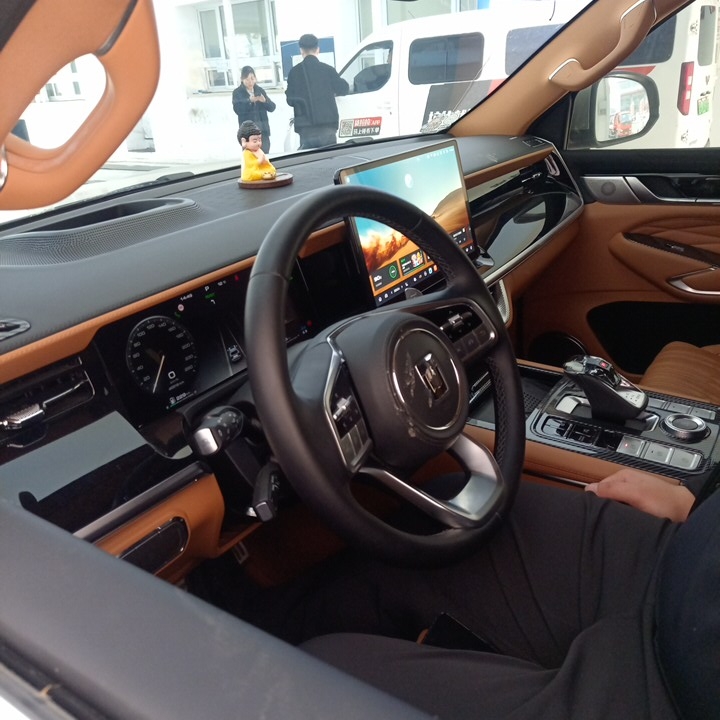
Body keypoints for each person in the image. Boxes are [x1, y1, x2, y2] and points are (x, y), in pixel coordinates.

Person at [227, 467, 717, 720]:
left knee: (314, 685)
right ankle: (244, 626)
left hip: (680, 697)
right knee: (440, 526)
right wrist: (701, 493)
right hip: (684, 563)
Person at [285, 33, 349, 149]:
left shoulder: (294, 72)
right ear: (318, 49)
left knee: (311, 159)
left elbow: (290, 100)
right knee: (329, 157)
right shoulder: (328, 70)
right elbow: (344, 88)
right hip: (327, 126)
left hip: (306, 128)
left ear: (301, 50)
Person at [232, 66, 276, 154]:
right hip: (248, 134)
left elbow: (272, 108)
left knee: (264, 156)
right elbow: (237, 110)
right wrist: (249, 101)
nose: (250, 82)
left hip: (262, 132)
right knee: (250, 157)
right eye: (247, 79)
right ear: (242, 79)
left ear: (255, 78)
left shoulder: (259, 90)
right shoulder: (237, 92)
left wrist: (265, 101)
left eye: (252, 78)